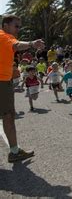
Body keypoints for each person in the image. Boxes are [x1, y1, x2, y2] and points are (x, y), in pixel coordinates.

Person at [0, 14, 44, 162]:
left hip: (5, 81)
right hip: (1, 82)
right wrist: (32, 43)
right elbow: (17, 45)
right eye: (16, 26)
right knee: (8, 117)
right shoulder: (5, 37)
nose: (18, 29)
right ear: (6, 25)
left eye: (19, 26)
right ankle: (14, 152)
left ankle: (14, 151)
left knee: (8, 116)